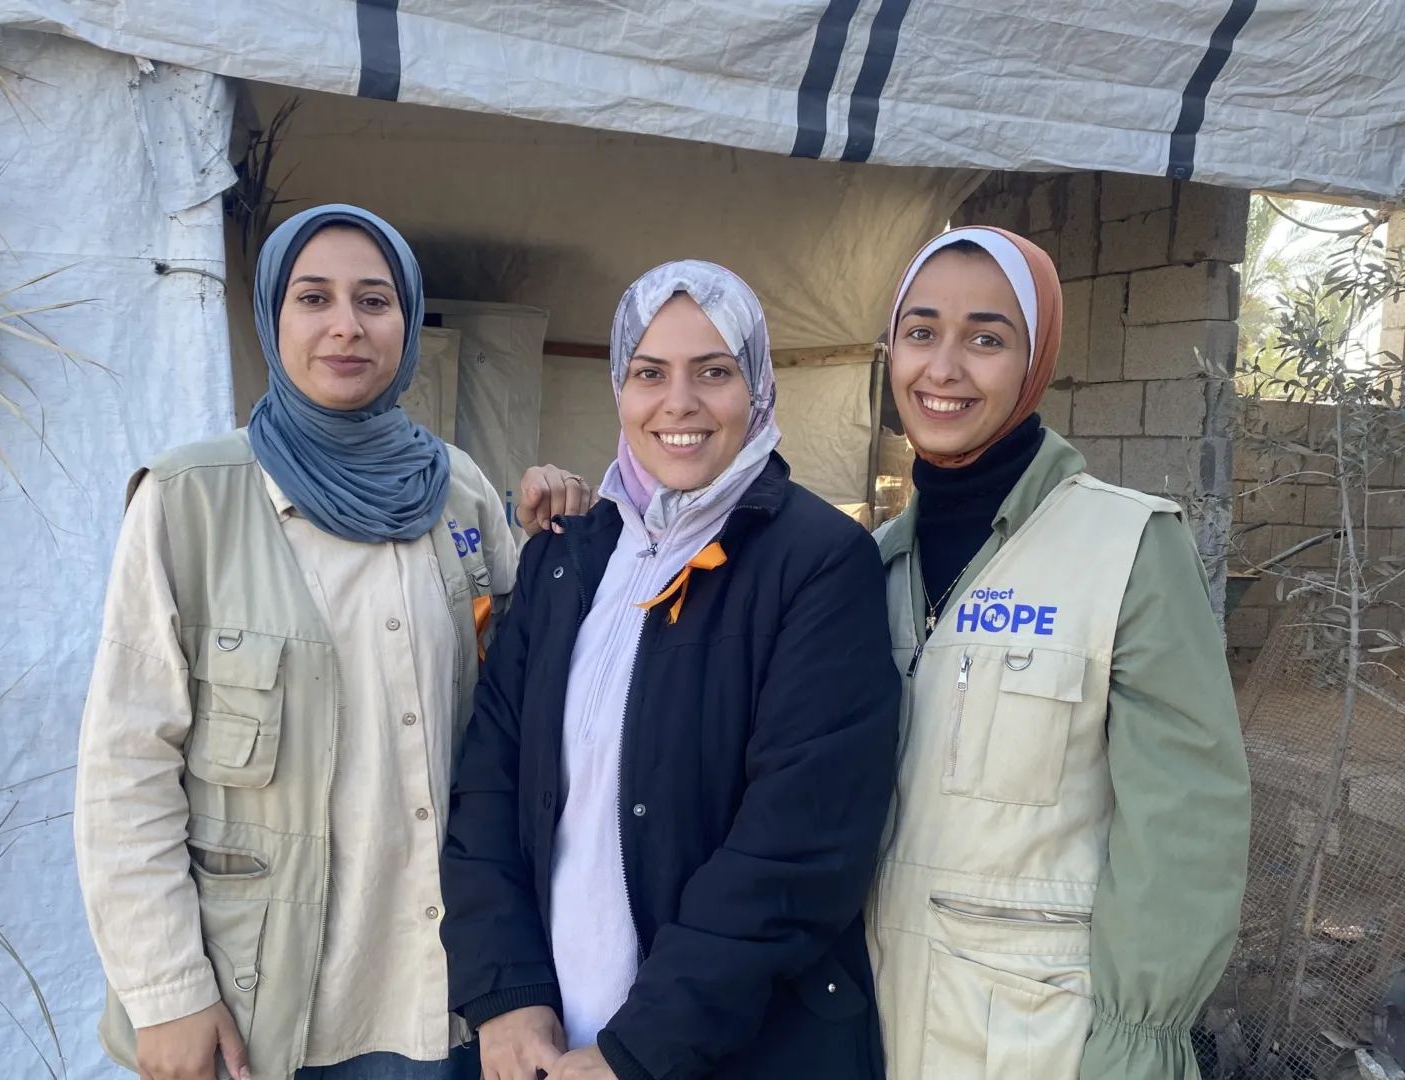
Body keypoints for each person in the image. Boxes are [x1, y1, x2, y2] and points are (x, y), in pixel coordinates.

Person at [74, 204, 583, 1080]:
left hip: (447, 997)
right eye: (314, 298)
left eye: (375, 301)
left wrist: (555, 547)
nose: (346, 326)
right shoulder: (191, 501)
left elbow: (522, 700)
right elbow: (126, 770)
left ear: (408, 323)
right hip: (267, 1011)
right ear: (273, 318)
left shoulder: (456, 491)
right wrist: (167, 992)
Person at [440, 261, 900, 1080]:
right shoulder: (568, 556)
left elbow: (796, 849)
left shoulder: (820, 564)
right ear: (620, 385)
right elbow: (489, 784)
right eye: (650, 373)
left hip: (725, 1049)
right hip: (548, 1042)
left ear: (757, 387)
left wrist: (638, 1049)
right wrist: (506, 995)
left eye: (713, 372)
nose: (678, 403)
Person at [863, 226, 1251, 1079]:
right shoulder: (876, 562)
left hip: (1040, 1039)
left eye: (987, 338)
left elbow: (1187, 823)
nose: (944, 368)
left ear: (1035, 358)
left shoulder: (1126, 547)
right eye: (921, 332)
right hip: (871, 1020)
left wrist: (1135, 1044)